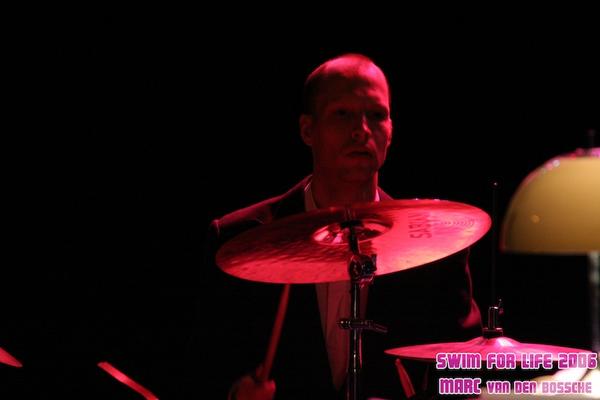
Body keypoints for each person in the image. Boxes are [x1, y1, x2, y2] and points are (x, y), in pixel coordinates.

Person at [202, 53, 482, 399]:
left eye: (376, 115)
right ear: (308, 130)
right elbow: (201, 370)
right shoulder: (240, 239)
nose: (361, 130)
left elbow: (463, 376)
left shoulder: (437, 251)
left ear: (391, 131)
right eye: (342, 114)